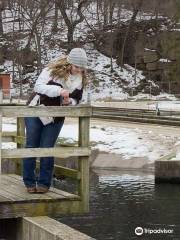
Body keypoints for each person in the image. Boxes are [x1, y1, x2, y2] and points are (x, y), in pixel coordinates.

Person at [23, 48, 88, 193]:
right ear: (69, 63)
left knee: (48, 147)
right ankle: (29, 182)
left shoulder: (80, 79)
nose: (79, 70)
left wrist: (69, 102)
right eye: (77, 67)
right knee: (31, 146)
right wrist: (59, 91)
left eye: (82, 68)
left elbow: (77, 99)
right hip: (36, 110)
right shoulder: (51, 71)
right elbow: (38, 87)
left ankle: (44, 184)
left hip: (56, 116)